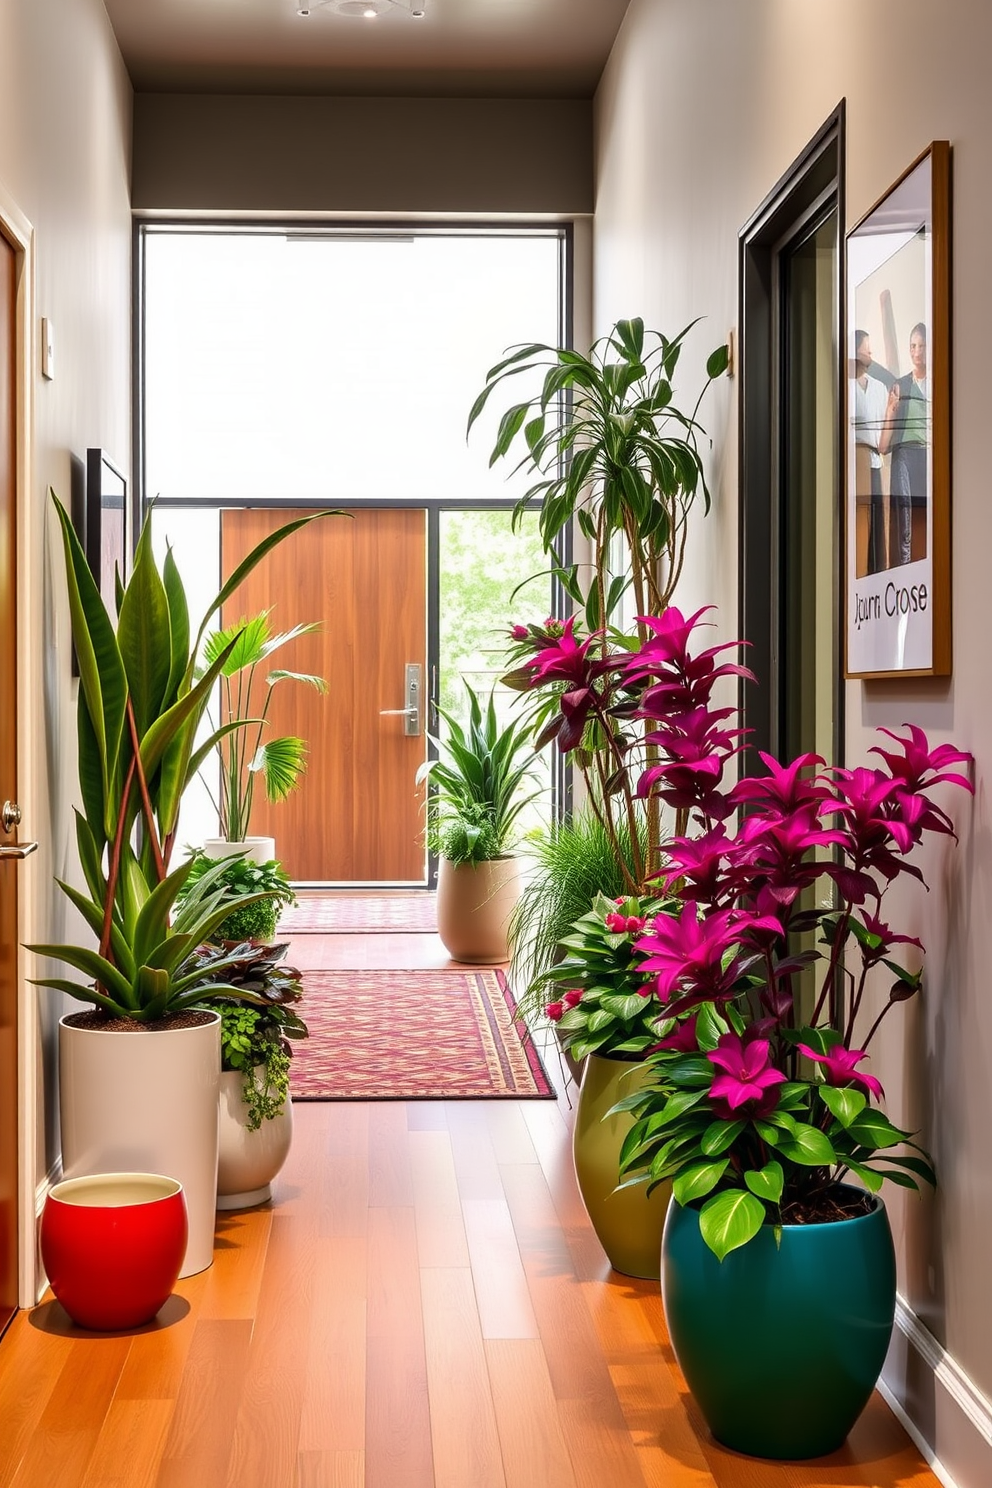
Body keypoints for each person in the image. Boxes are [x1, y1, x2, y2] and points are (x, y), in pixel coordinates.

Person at [880, 322, 929, 568]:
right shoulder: (900, 385)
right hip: (905, 454)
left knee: (927, 514)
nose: (916, 351)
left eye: (921, 345)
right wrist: (890, 409)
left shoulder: (936, 384)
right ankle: (904, 567)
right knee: (906, 513)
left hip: (928, 454)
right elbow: (884, 443)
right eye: (913, 346)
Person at [851, 329, 890, 572]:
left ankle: (876, 571)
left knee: (876, 521)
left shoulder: (879, 388)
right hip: (855, 461)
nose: (870, 353)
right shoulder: (845, 386)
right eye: (867, 348)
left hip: (875, 461)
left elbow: (884, 432)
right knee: (858, 520)